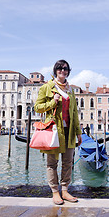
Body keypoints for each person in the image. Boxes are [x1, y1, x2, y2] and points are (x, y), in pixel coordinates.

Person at [34, 59, 82, 205]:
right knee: (52, 163)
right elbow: (37, 107)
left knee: (68, 162)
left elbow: (74, 112)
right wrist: (52, 103)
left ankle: (65, 190)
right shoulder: (47, 87)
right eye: (60, 68)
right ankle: (55, 192)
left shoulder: (70, 90)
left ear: (68, 71)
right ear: (55, 70)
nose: (63, 71)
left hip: (69, 131)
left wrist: (78, 132)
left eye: (65, 69)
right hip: (54, 130)